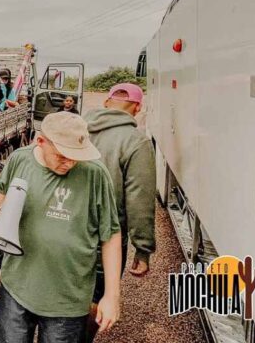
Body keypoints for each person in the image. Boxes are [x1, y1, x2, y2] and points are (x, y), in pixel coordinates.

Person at [0, 111, 122, 343]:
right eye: (63, 155)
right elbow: (0, 196)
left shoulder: (95, 174)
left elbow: (111, 236)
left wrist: (112, 295)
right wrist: (8, 210)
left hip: (67, 300)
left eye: (76, 156)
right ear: (41, 141)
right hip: (17, 288)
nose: (70, 162)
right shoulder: (20, 159)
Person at [83, 83, 156, 342]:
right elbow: (139, 197)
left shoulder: (78, 129)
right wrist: (143, 248)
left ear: (106, 102)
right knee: (95, 295)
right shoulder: (136, 141)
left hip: (65, 226)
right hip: (105, 237)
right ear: (137, 108)